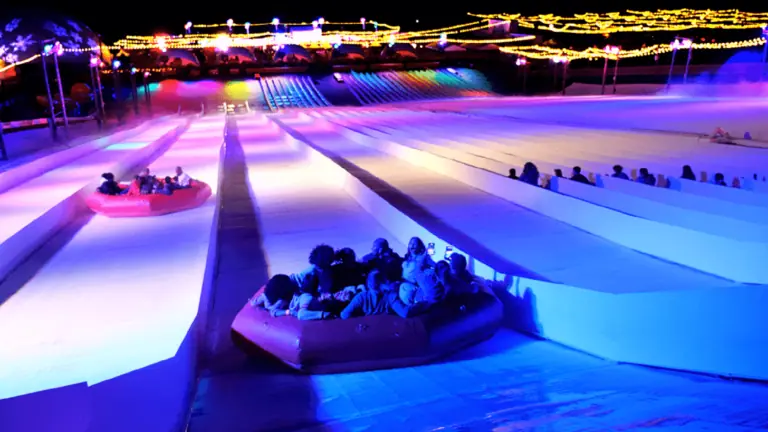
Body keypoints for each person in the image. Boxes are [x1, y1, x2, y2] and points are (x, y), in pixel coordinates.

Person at [340, 270, 423, 319]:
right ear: (382, 282)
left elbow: (344, 315)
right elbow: (405, 313)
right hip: (385, 333)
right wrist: (421, 304)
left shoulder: (361, 297)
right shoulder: (390, 296)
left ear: (368, 283)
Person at [399, 237, 437, 305]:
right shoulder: (407, 257)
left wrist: (428, 271)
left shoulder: (424, 257)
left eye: (414, 244)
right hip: (404, 284)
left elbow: (436, 266)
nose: (412, 245)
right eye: (410, 243)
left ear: (420, 246)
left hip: (415, 287)